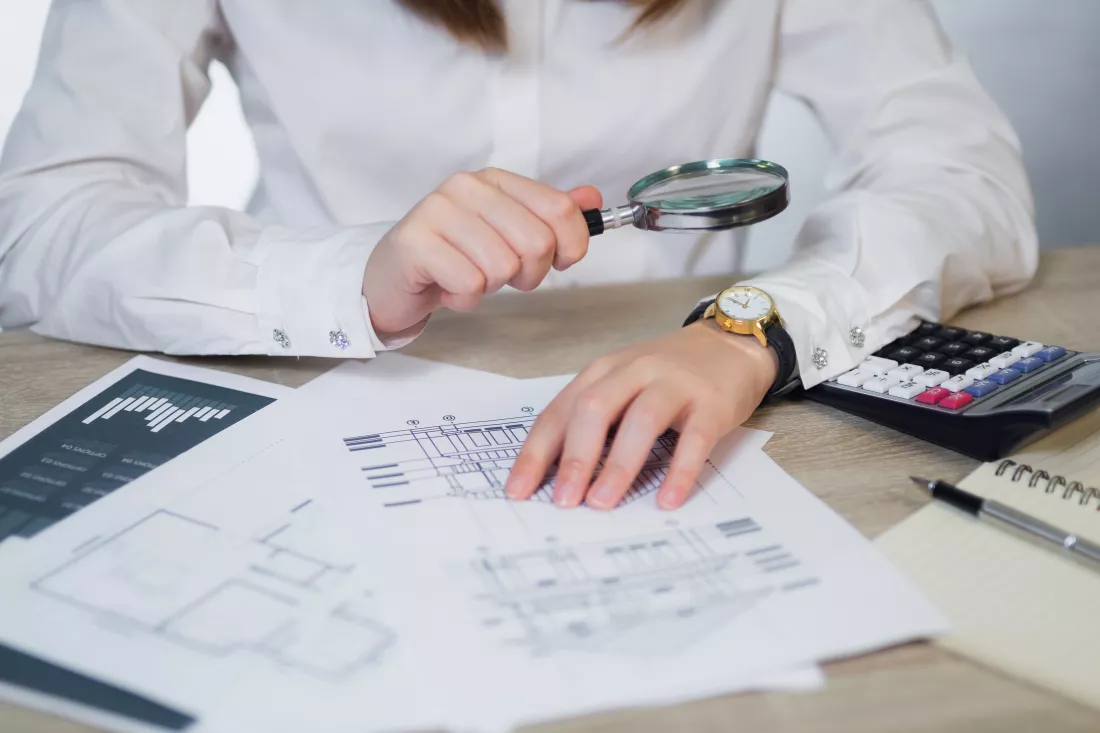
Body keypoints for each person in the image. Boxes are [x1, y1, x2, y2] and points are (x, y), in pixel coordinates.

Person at [0, 0, 1036, 510]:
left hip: (697, 414)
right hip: (304, 399)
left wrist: (753, 327)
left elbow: (961, 170)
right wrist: (345, 276)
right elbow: (41, 223)